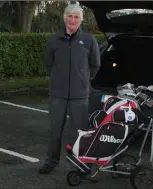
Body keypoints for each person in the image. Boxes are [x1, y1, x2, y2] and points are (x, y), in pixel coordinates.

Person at [38, 3, 101, 174]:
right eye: (69, 16)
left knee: (79, 132)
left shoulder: (89, 40)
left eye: (76, 17)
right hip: (57, 94)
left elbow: (95, 65)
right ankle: (51, 161)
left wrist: (83, 80)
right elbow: (49, 64)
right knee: (55, 130)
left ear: (80, 20)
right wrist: (59, 79)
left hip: (79, 95)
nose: (72, 19)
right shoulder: (53, 40)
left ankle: (81, 163)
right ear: (64, 17)